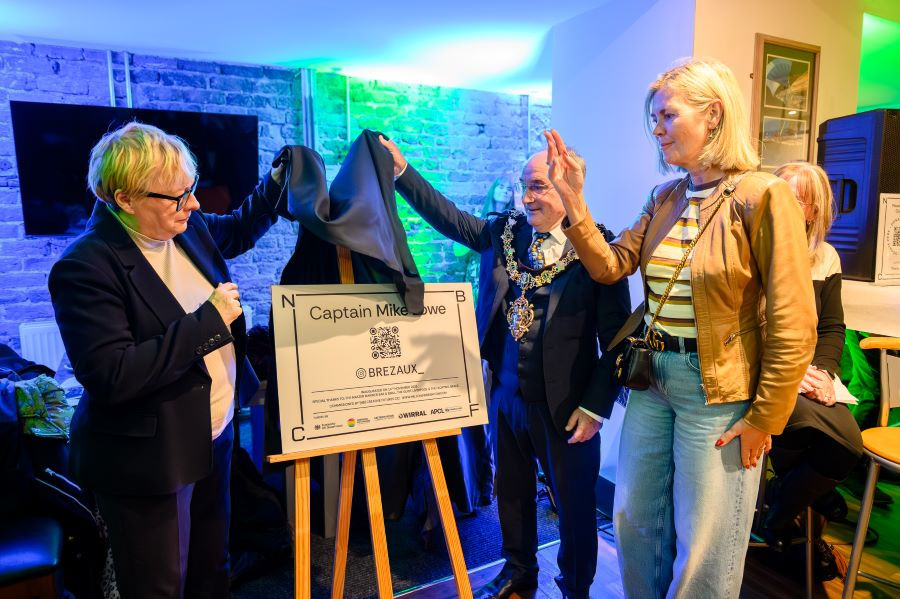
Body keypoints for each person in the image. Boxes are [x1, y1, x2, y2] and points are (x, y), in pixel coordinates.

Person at [544, 57, 818, 598]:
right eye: (655, 117)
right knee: (633, 522)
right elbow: (610, 265)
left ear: (712, 115)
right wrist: (573, 199)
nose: (657, 128)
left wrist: (766, 417)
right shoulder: (665, 197)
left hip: (717, 390)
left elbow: (794, 319)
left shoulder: (762, 196)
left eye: (668, 115)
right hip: (653, 379)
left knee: (706, 544)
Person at [378, 135, 631, 599]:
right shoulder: (507, 231)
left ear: (568, 189)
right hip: (506, 392)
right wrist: (402, 172)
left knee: (574, 506)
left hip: (568, 407)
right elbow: (454, 221)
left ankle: (576, 587)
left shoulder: (600, 249)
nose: (526, 197)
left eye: (537, 186)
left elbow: (617, 340)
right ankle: (519, 572)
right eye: (523, 186)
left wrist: (595, 409)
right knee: (512, 495)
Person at [48, 122, 286, 598]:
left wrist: (275, 183)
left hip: (213, 437)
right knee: (158, 586)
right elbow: (112, 375)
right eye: (178, 196)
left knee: (211, 569)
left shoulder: (185, 225)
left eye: (191, 190)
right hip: (148, 459)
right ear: (125, 199)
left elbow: (235, 230)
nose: (194, 204)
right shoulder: (84, 268)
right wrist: (208, 323)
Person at [764, 162, 863, 579]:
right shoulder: (754, 244)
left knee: (847, 444)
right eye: (782, 192)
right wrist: (791, 370)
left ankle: (779, 510)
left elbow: (832, 326)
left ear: (815, 210)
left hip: (810, 374)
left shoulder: (825, 257)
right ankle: (791, 513)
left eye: (800, 197)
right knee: (814, 439)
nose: (789, 203)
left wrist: (821, 371)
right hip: (767, 372)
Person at [453, 174, 524, 303]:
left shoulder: (516, 222)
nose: (505, 191)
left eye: (509, 189)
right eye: (501, 187)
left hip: (501, 271)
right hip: (477, 271)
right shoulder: (477, 217)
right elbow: (458, 251)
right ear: (493, 190)